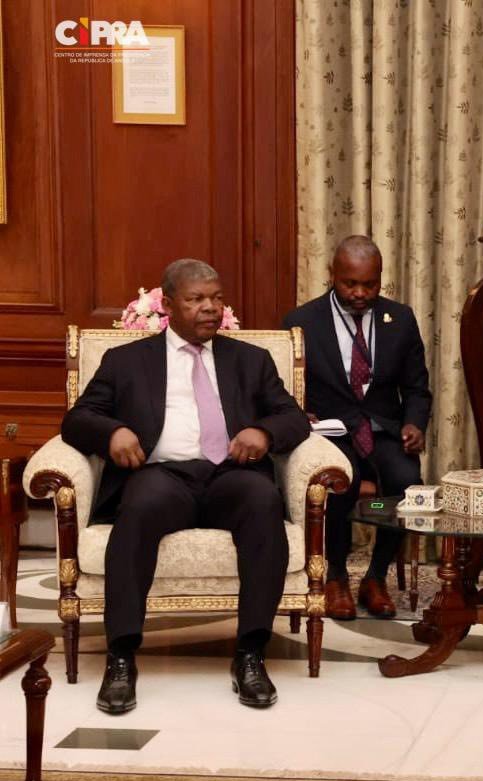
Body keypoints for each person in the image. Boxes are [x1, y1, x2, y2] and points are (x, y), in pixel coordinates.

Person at [62, 259, 311, 714]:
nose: (210, 308)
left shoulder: (251, 360)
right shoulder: (126, 362)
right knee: (138, 509)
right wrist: (112, 433)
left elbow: (293, 417)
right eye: (196, 300)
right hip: (163, 475)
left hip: (230, 475)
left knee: (263, 501)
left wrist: (265, 433)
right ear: (169, 304)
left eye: (216, 298)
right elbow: (77, 420)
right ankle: (121, 657)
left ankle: (251, 654)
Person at [283, 236, 432, 620]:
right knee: (339, 484)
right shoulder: (301, 321)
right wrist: (302, 416)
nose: (360, 293)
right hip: (331, 432)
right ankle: (335, 577)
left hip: (383, 429)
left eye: (370, 284)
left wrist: (414, 423)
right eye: (351, 284)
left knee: (406, 483)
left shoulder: (399, 319)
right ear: (333, 276)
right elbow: (283, 388)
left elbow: (416, 387)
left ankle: (376, 577)